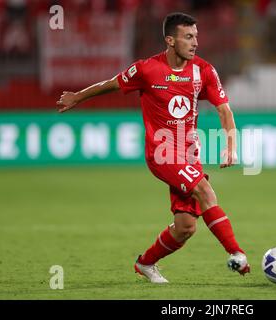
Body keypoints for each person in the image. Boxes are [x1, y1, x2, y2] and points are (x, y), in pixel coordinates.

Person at [56, 12, 249, 283]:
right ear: (170, 40)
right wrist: (77, 97)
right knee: (205, 192)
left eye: (196, 36)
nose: (195, 43)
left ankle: (146, 264)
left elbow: (224, 110)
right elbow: (111, 84)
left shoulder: (203, 70)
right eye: (188, 37)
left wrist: (231, 145)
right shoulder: (147, 69)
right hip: (162, 152)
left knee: (185, 227)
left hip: (189, 154)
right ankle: (236, 253)